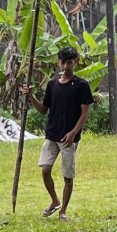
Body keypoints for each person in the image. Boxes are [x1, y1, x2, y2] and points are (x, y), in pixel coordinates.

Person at [28, 46, 94, 218]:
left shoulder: (81, 85)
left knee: (67, 176)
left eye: (70, 62)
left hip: (68, 138)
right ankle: (54, 200)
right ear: (59, 63)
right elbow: (43, 109)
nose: (66, 66)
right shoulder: (52, 85)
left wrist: (73, 133)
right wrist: (30, 96)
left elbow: (85, 112)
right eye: (64, 62)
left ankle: (63, 210)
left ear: (74, 63)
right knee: (45, 169)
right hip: (52, 134)